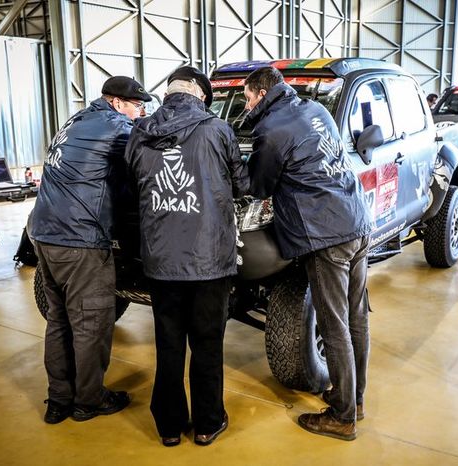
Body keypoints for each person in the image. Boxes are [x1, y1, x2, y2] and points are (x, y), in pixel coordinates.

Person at [243, 66, 371, 441]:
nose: (246, 105)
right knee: (356, 317)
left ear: (262, 93)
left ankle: (343, 417)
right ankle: (355, 398)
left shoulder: (271, 130)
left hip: (326, 235)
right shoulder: (315, 109)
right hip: (356, 222)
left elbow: (258, 185)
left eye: (248, 98)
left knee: (334, 326)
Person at [124, 66, 248, 447]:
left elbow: (131, 191)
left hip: (162, 260)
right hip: (210, 259)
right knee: (207, 344)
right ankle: (208, 423)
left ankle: (168, 427)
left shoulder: (139, 132)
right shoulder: (217, 130)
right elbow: (243, 185)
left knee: (169, 344)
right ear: (201, 95)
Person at [29, 76, 150, 424]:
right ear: (116, 103)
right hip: (80, 238)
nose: (139, 112)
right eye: (136, 106)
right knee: (91, 323)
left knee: (60, 321)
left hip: (44, 233)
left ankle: (59, 401)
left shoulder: (76, 120)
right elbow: (146, 164)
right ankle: (89, 401)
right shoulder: (116, 127)